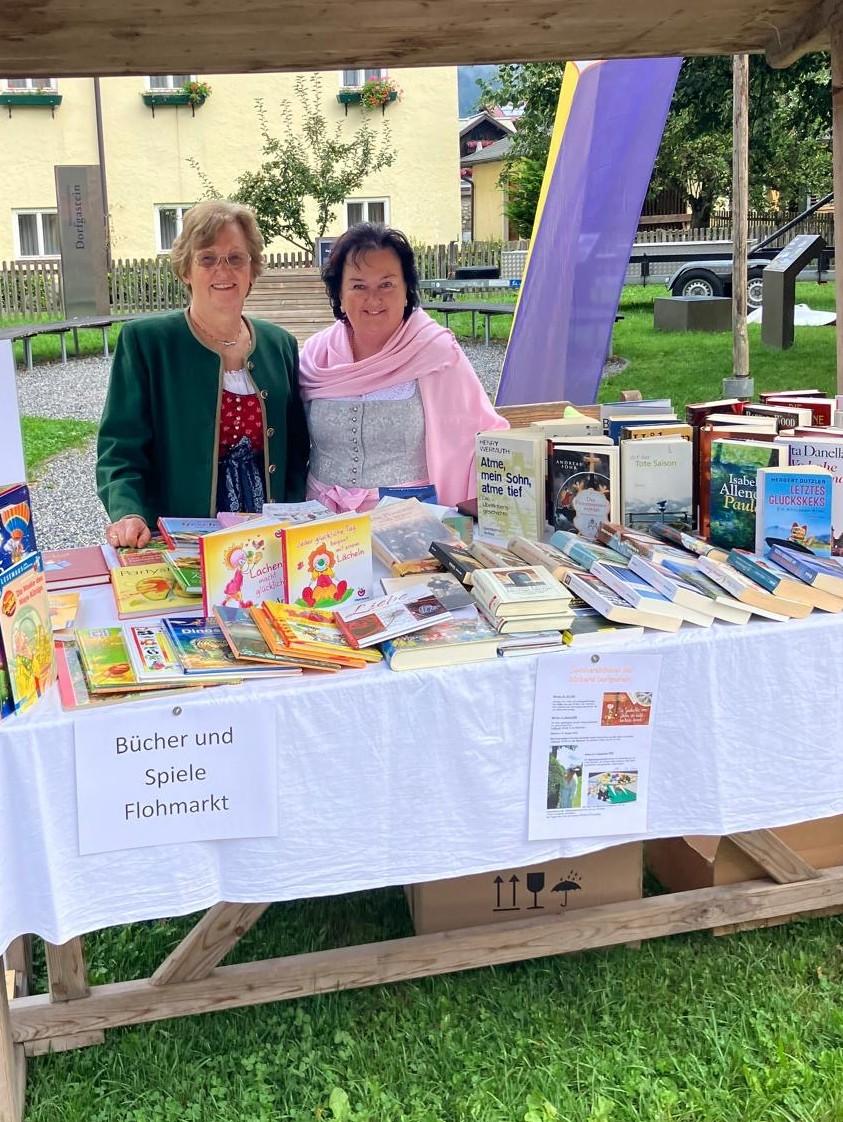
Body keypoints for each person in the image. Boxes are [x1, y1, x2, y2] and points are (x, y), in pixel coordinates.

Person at [97, 201, 310, 548]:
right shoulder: (148, 342)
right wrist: (129, 511)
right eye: (207, 258)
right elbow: (120, 448)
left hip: (268, 540)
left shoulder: (279, 345)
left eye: (235, 258)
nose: (222, 271)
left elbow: (297, 450)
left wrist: (292, 515)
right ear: (186, 270)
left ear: (252, 268)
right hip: (178, 537)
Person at [298, 223, 508, 512]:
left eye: (387, 284)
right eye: (358, 286)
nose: (373, 299)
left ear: (407, 290)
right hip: (319, 525)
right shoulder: (314, 356)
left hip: (409, 525)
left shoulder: (436, 354)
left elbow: (482, 437)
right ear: (340, 294)